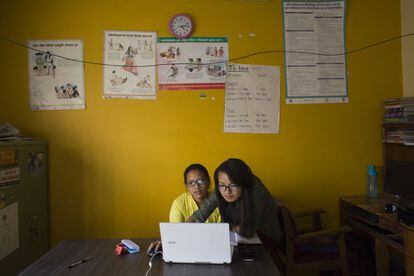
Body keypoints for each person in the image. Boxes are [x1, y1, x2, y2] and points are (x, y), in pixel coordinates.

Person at [188, 158, 281, 244]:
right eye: (222, 185)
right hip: (235, 233)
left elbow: (247, 228)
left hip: (263, 235)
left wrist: (221, 229)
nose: (227, 191)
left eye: (233, 185)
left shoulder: (257, 191)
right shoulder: (221, 188)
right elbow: (201, 214)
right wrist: (184, 228)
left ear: (243, 183)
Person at [147, 164, 220, 253]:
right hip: (187, 249)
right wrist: (166, 242)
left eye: (200, 181)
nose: (196, 186)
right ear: (187, 186)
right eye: (191, 183)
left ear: (208, 181)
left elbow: (220, 233)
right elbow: (175, 232)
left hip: (214, 248)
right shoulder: (179, 203)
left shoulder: (219, 198)